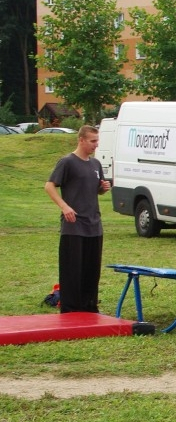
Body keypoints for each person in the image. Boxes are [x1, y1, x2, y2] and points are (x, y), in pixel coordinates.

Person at [44, 125, 111, 313]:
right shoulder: (67, 162)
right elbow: (49, 186)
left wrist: (102, 188)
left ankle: (89, 306)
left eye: (97, 141)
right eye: (92, 141)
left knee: (91, 269)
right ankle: (70, 308)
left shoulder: (95, 164)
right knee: (73, 269)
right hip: (73, 225)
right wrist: (64, 206)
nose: (96, 145)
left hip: (94, 224)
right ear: (81, 140)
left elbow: (95, 189)